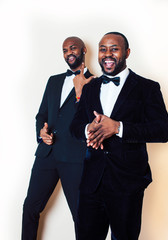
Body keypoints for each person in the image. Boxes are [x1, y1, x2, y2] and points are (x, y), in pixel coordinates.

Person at [70, 32, 168, 240]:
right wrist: (88, 128)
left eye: (114, 49)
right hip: (91, 183)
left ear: (126, 52)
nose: (108, 54)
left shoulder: (147, 88)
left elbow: (163, 131)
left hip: (127, 183)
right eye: (103, 49)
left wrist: (118, 127)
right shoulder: (89, 88)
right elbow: (74, 127)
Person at [22, 36, 94, 239]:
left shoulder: (95, 83)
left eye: (73, 48)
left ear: (84, 50)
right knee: (30, 208)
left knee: (80, 215)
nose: (69, 53)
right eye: (64, 50)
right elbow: (42, 115)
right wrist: (41, 133)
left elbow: (90, 121)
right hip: (47, 155)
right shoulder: (53, 81)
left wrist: (80, 93)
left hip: (75, 157)